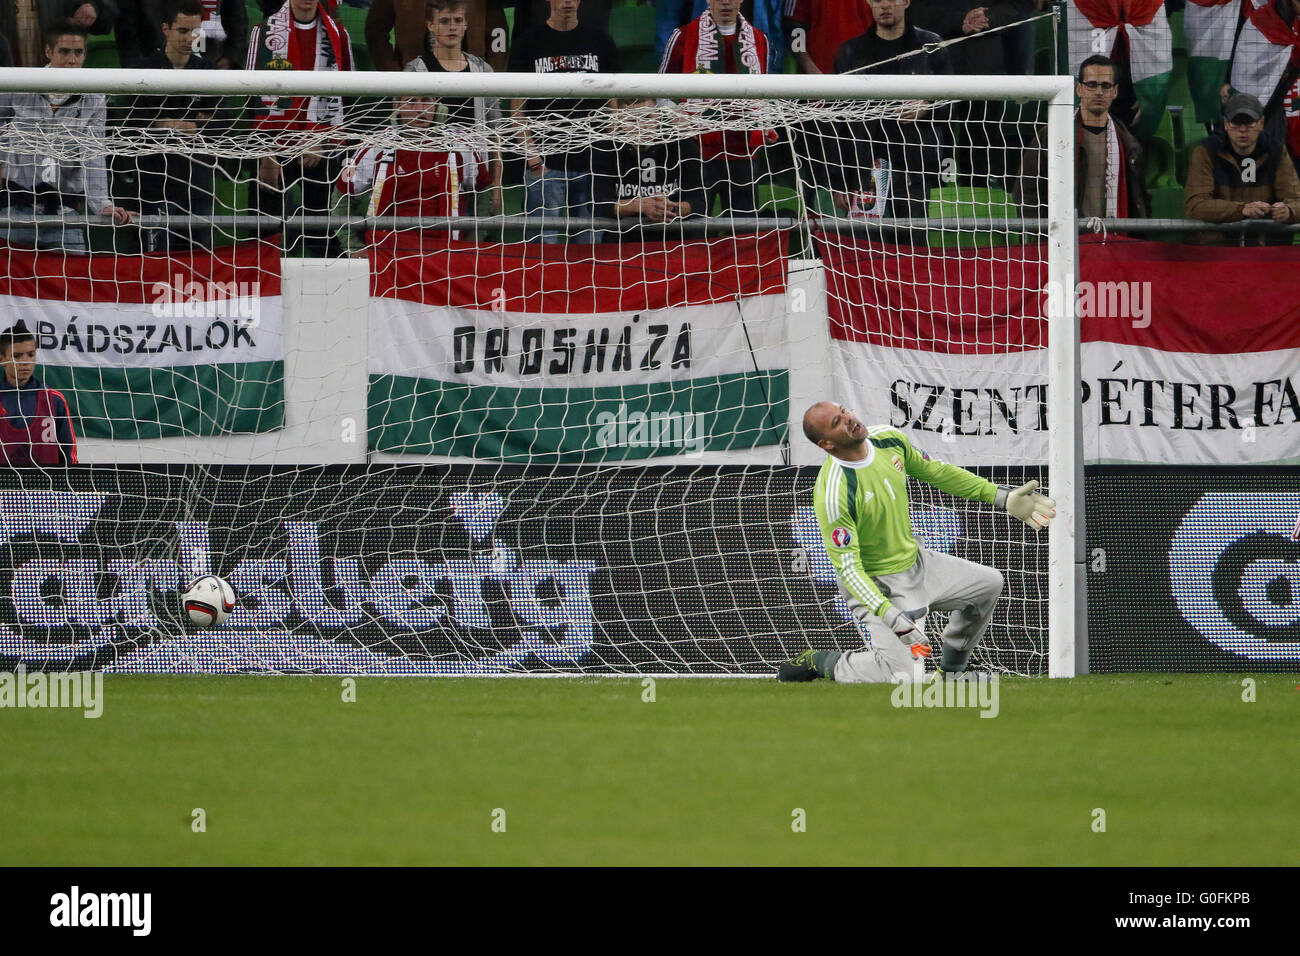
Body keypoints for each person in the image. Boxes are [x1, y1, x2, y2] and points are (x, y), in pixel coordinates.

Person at [777, 402, 1054, 684]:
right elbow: (849, 571)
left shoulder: (887, 438)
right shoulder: (834, 492)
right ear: (826, 443)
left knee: (988, 584)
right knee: (903, 677)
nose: (849, 418)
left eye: (844, 410)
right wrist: (892, 617)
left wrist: (1002, 497)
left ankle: (951, 672)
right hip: (879, 586)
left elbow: (937, 472)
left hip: (918, 562)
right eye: (838, 421)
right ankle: (822, 661)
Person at [0, 23, 135, 252]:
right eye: (64, 52)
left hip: (66, 214)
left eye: (78, 52)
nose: (72, 60)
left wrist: (102, 204)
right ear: (48, 51)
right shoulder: (20, 84)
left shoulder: (93, 98)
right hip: (16, 211)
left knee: (71, 286)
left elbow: (93, 152)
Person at [826, 0, 950, 225]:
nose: (885, 6)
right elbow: (840, 121)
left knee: (913, 243)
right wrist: (840, 181)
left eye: (891, 0)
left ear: (906, 2)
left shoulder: (931, 46)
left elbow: (953, 103)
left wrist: (926, 106)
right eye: (878, 0)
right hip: (863, 167)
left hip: (914, 165)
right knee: (864, 248)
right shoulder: (850, 51)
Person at [247, 0, 355, 257]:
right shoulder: (263, 32)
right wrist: (266, 153)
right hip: (273, 148)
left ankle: (328, 293)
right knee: (263, 231)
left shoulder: (338, 34)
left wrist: (323, 140)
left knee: (322, 230)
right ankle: (264, 291)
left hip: (321, 147)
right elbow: (252, 96)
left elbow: (347, 98)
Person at [507, 0, 620, 243]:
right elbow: (517, 110)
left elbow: (613, 106)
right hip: (546, 166)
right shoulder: (528, 44)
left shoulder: (601, 42)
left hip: (591, 166)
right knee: (542, 257)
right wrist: (534, 160)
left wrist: (605, 158)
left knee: (590, 256)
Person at [122, 0, 225, 252]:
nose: (189, 38)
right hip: (154, 183)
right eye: (182, 31)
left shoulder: (208, 71)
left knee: (198, 263)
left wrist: (188, 125)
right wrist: (163, 122)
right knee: (158, 261)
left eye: (195, 31)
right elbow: (130, 118)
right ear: (165, 29)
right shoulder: (143, 71)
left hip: (197, 181)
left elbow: (223, 119)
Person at [659, 0, 777, 217]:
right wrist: (675, 118)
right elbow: (660, 91)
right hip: (698, 152)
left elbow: (763, 93)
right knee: (695, 231)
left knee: (743, 232)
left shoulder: (760, 39)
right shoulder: (683, 36)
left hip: (744, 152)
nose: (726, 2)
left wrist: (765, 122)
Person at [334, 94, 490, 249]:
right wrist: (352, 245)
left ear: (435, 104)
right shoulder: (375, 146)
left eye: (425, 100)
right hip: (389, 256)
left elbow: (486, 191)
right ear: (397, 106)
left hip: (447, 255)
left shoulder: (460, 145)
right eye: (411, 102)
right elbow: (341, 196)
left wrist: (472, 242)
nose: (420, 110)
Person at [1013, 54, 1149, 221]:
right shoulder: (1051, 135)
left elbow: (1140, 198)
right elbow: (1027, 191)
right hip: (1064, 240)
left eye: (1106, 86)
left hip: (1116, 240)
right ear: (1079, 89)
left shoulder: (1128, 143)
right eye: (1091, 85)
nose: (1099, 92)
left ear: (1115, 91)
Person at [403, 0, 502, 218]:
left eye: (458, 21)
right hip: (429, 181)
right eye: (445, 21)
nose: (452, 27)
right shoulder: (415, 71)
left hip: (478, 182)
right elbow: (405, 136)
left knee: (474, 245)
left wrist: (496, 184)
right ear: (431, 25)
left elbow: (495, 135)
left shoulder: (483, 71)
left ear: (466, 25)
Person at [1185, 91, 1300, 245]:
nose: (1243, 129)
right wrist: (1242, 209)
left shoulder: (1277, 151)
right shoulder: (1206, 151)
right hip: (1217, 248)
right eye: (1236, 122)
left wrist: (1288, 211)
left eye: (1249, 122)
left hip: (1264, 247)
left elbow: (1297, 201)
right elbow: (1195, 205)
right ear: (1226, 124)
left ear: (1261, 123)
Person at [591, 96, 708, 242]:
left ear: (658, 117)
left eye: (647, 117)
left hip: (673, 243)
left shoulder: (681, 146)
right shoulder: (606, 149)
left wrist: (670, 208)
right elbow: (596, 204)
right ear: (620, 121)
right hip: (621, 245)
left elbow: (700, 203)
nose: (640, 126)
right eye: (631, 120)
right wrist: (639, 205)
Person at [0, 321, 78, 466]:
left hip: (45, 486)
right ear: (2, 358)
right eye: (17, 356)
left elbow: (70, 456)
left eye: (30, 355)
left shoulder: (54, 400)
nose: (25, 362)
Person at [115, 0, 247, 68]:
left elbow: (236, 16)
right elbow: (126, 23)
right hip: (152, 64)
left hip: (209, 62)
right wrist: (132, 66)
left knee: (207, 116)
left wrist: (231, 57)